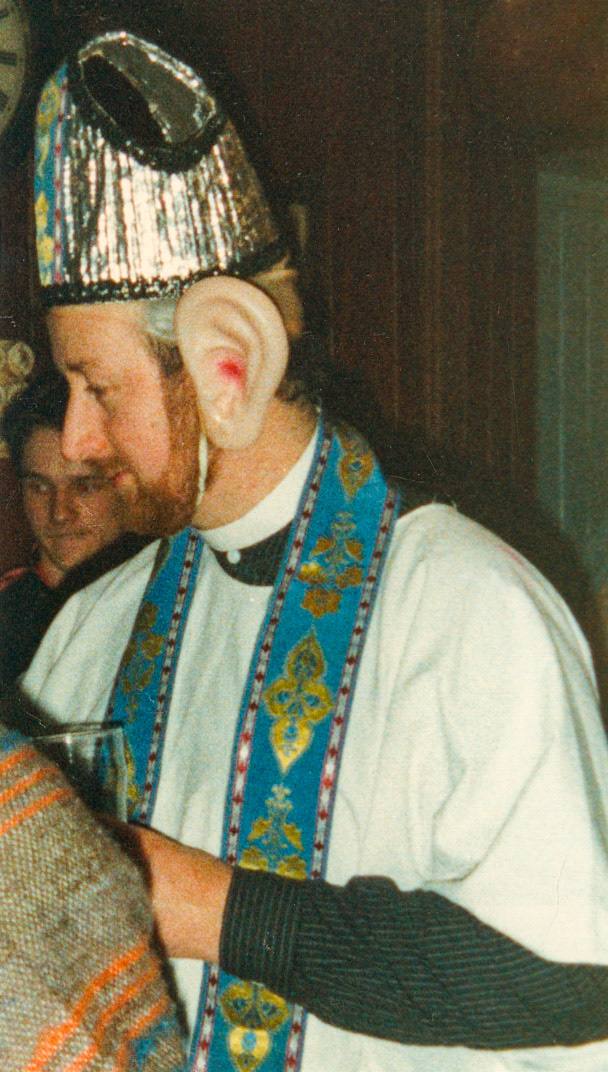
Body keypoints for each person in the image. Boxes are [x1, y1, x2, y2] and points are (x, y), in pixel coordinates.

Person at [22, 27, 608, 1072]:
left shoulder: (468, 608)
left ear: (227, 366)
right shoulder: (91, 634)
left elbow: (564, 974)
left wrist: (202, 903)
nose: (72, 438)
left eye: (97, 388)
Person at [0, 370, 144, 683]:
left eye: (85, 486)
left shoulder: (160, 596)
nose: (59, 513)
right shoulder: (8, 612)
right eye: (39, 487)